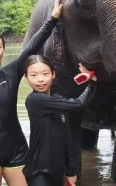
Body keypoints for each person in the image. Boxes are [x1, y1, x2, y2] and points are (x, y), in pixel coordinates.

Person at [0, 0, 63, 186]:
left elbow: (32, 47)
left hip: (17, 150)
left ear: (3, 50)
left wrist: (53, 18)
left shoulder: (11, 72)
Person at [22, 55, 97, 186]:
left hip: (56, 171)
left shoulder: (57, 101)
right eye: (33, 75)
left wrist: (70, 171)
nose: (40, 80)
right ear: (26, 77)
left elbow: (66, 139)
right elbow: (78, 104)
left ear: (53, 74)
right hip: (39, 172)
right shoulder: (35, 100)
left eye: (45, 74)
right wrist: (93, 81)